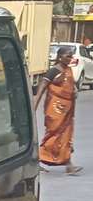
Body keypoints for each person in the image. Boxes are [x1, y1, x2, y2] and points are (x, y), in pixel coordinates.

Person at [34, 46, 83, 174]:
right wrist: (34, 107)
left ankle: (69, 165)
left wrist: (74, 92)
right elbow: (41, 88)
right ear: (60, 57)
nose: (70, 58)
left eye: (71, 56)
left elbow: (71, 87)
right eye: (68, 56)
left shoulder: (69, 70)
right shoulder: (54, 71)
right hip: (55, 110)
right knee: (53, 135)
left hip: (67, 111)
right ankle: (36, 160)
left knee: (65, 136)